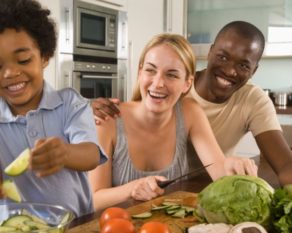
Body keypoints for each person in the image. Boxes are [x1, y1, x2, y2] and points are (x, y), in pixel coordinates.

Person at [92, 21, 292, 186]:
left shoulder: (193, 110)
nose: (230, 71)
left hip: (202, 194)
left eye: (243, 65)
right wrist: (87, 112)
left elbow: (282, 165)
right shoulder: (159, 98)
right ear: (211, 52)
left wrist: (233, 165)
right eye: (223, 57)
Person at [89, 33, 257, 211]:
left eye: (171, 75)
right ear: (140, 72)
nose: (158, 83)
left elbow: (220, 173)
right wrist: (132, 189)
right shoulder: (108, 120)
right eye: (150, 70)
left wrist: (231, 165)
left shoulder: (190, 112)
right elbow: (93, 200)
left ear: (187, 83)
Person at [0, 0, 106, 217]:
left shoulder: (70, 103)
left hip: (71, 227)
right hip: (9, 231)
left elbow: (90, 155)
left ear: (44, 57)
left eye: (23, 60)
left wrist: (65, 153)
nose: (10, 73)